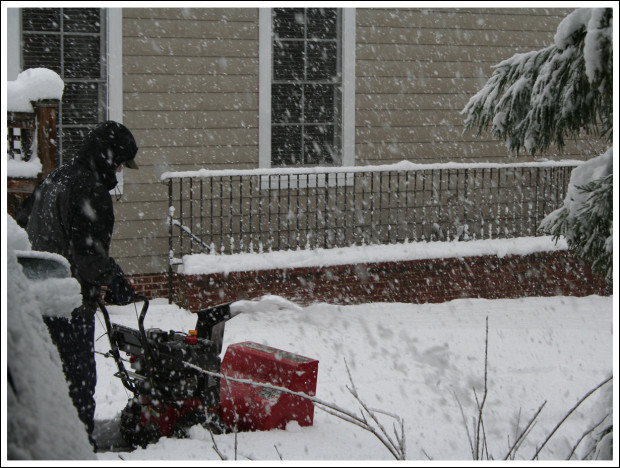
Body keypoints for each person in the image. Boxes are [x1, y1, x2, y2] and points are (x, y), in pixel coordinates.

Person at [17, 120, 139, 450]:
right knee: (77, 389)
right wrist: (115, 279)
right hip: (68, 305)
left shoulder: (55, 179)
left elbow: (22, 223)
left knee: (47, 387)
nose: (119, 171)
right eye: (119, 164)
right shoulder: (91, 191)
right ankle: (76, 450)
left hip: (34, 301)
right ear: (110, 159)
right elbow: (89, 256)